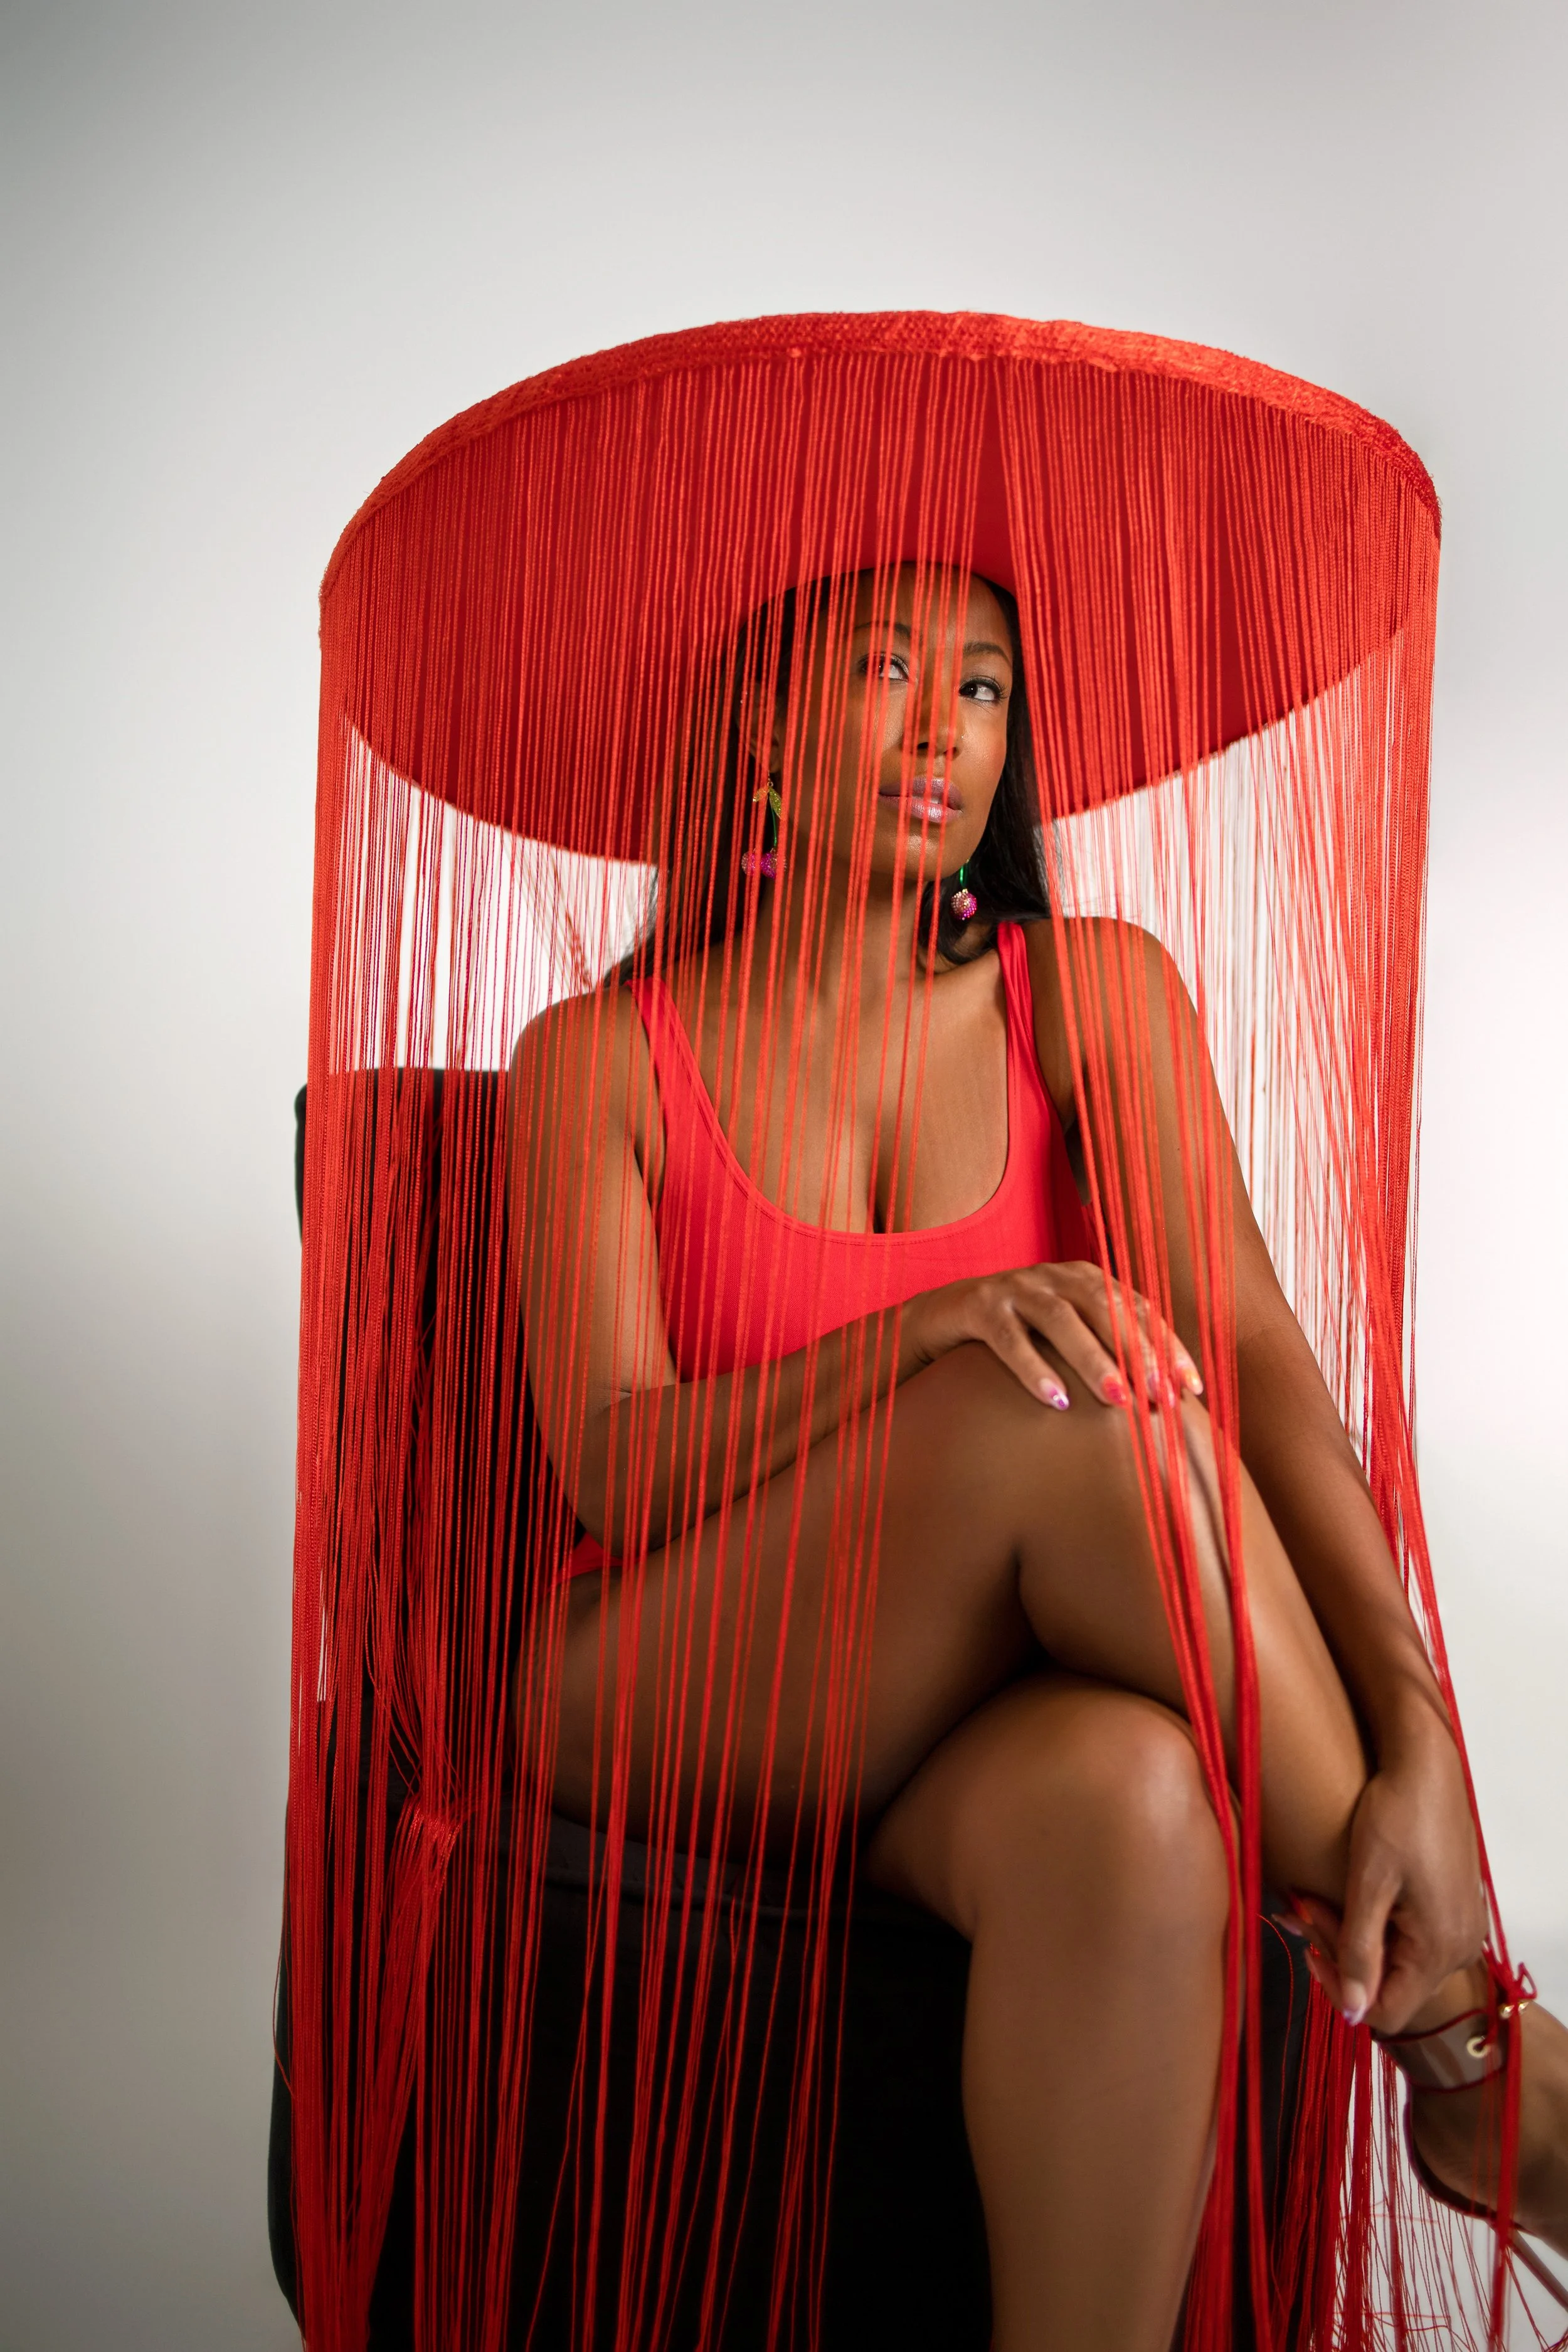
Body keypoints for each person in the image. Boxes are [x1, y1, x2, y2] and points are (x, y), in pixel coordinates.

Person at [509, 561, 1568, 2349]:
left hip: (974, 1728)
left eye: (986, 688)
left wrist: (1421, 1739)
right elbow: (615, 1462)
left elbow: (1261, 1377)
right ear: (759, 726)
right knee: (1060, 1385)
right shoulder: (598, 1057)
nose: (944, 731)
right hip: (682, 1685)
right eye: (884, 671)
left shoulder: (1090, 994)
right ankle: (1477, 2048)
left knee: (1137, 1804)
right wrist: (918, 1333)